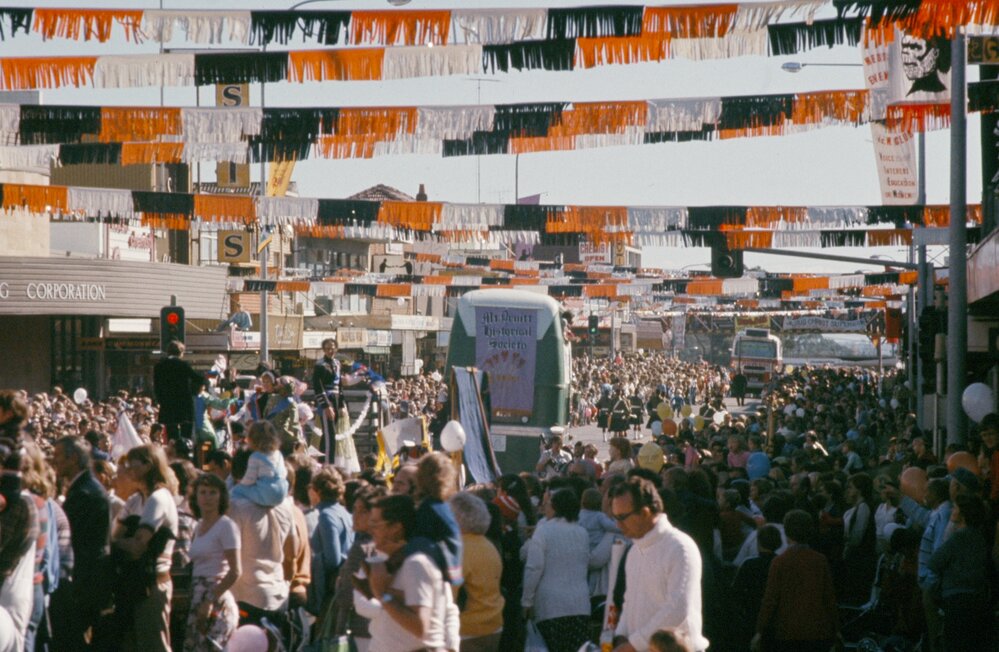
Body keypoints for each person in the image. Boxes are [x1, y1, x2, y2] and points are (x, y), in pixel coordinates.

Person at [610, 476, 707, 652]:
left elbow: (678, 608)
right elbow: (629, 602)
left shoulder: (680, 547)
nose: (618, 524)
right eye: (615, 517)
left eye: (623, 517)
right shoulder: (633, 551)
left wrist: (633, 644)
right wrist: (621, 636)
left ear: (645, 512)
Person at [355, 494, 457, 651]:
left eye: (376, 524)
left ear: (396, 527)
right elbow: (360, 602)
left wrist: (384, 595)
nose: (370, 529)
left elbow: (439, 613)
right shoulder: (375, 559)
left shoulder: (417, 562)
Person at [113, 444, 180, 652]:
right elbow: (117, 535)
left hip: (151, 584)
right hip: (131, 583)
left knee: (153, 645)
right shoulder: (135, 500)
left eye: (133, 464)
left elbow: (137, 546)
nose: (129, 469)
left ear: (148, 465)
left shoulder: (159, 499)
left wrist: (112, 545)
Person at [49, 435, 111, 651]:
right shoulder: (83, 488)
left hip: (83, 586)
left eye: (58, 456)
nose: (54, 460)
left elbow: (78, 544)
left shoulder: (87, 493)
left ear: (73, 458)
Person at [227, 448, 297, 630]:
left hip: (245, 598)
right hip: (278, 595)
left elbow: (226, 558)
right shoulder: (286, 505)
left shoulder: (235, 505)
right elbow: (292, 555)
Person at [754, 510, 839, 652]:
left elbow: (770, 599)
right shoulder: (820, 560)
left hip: (787, 631)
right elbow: (829, 597)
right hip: (816, 630)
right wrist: (836, 629)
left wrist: (760, 630)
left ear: (786, 532)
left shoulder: (779, 562)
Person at [522, 488, 592, 652]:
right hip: (580, 605)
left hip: (550, 606)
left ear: (555, 508)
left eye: (547, 504)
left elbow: (534, 568)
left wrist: (526, 601)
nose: (544, 508)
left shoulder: (544, 531)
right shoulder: (582, 532)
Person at [927, 494, 994, 651]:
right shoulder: (980, 537)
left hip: (955, 600)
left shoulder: (957, 537)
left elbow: (934, 562)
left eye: (956, 507)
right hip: (977, 598)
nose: (952, 510)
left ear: (963, 513)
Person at [183, 473, 241, 652]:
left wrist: (210, 600)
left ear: (221, 496)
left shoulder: (226, 526)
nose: (207, 497)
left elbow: (235, 571)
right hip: (196, 596)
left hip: (217, 597)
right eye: (203, 492)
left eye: (213, 492)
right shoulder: (197, 525)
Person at [449, 492, 504, 652]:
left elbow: (448, 596)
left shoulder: (459, 549)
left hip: (466, 630)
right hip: (494, 624)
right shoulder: (488, 545)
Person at [307, 466, 354, 615]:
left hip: (329, 589)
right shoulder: (345, 512)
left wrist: (312, 558)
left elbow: (332, 559)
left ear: (317, 491)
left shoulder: (325, 515)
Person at [153, 340, 204, 444]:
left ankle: (173, 450)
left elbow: (156, 386)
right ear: (181, 352)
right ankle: (184, 452)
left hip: (167, 404)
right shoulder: (183, 365)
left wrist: (160, 401)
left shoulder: (159, 366)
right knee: (186, 434)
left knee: (172, 434)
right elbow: (197, 379)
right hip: (184, 404)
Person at [231, 421, 289, 508]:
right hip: (283, 491)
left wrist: (240, 483)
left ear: (252, 439)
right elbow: (284, 472)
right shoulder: (278, 453)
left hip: (266, 494)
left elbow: (249, 480)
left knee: (237, 490)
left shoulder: (256, 456)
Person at [313, 338, 341, 461]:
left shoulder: (338, 363)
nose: (331, 350)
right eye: (328, 348)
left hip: (336, 398)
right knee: (330, 435)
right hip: (327, 399)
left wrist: (341, 405)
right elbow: (318, 387)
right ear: (324, 350)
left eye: (333, 347)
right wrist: (326, 405)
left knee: (329, 435)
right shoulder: (320, 365)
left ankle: (323, 461)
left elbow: (340, 386)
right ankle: (329, 463)